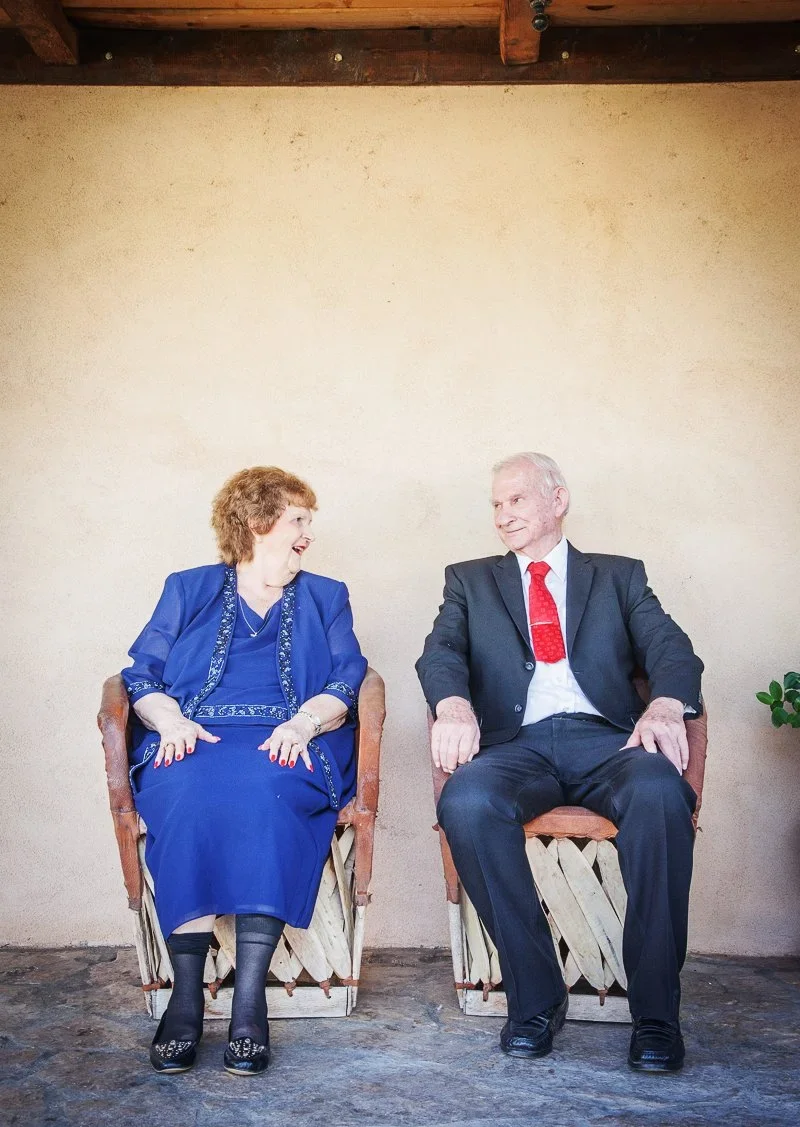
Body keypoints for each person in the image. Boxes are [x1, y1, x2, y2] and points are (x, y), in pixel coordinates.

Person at [416, 452, 703, 1073]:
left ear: (558, 499)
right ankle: (536, 998)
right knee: (465, 802)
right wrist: (454, 703)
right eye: (495, 504)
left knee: (659, 796)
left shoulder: (618, 575)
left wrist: (666, 705)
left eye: (515, 500)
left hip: (609, 744)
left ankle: (656, 1014)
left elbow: (671, 647)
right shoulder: (470, 579)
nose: (502, 516)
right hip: (516, 747)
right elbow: (440, 652)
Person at [121, 466, 367, 1076]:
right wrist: (168, 721)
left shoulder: (326, 595)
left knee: (267, 790)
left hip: (289, 739)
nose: (309, 534)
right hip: (193, 738)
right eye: (299, 521)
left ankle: (249, 1003)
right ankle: (183, 1000)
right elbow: (140, 676)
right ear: (259, 524)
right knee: (188, 792)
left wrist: (304, 725)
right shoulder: (188, 588)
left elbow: (348, 676)